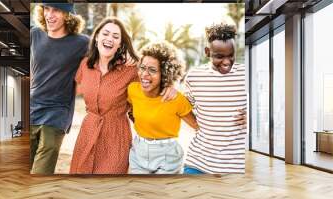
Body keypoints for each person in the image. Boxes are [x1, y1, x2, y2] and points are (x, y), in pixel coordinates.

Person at [69, 17, 177, 174]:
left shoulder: (131, 70)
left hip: (116, 136)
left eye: (115, 36)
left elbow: (155, 78)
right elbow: (76, 88)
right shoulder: (86, 65)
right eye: (105, 34)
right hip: (88, 131)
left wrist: (169, 87)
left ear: (120, 43)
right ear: (97, 37)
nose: (109, 39)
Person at [30, 3, 89, 174]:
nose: (49, 15)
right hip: (32, 110)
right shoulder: (35, 34)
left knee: (41, 172)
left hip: (57, 113)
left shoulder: (82, 43)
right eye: (46, 9)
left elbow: (108, 57)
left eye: (56, 10)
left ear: (68, 15)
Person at [183, 23, 247, 174]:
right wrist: (196, 125)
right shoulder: (194, 76)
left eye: (231, 55)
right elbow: (183, 108)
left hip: (234, 168)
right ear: (207, 52)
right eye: (219, 56)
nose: (226, 62)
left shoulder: (246, 74)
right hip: (197, 163)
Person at [127, 42, 199, 174]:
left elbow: (198, 126)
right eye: (142, 68)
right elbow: (131, 110)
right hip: (139, 153)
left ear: (165, 74)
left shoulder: (176, 99)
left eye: (152, 70)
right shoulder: (132, 90)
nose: (144, 75)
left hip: (167, 156)